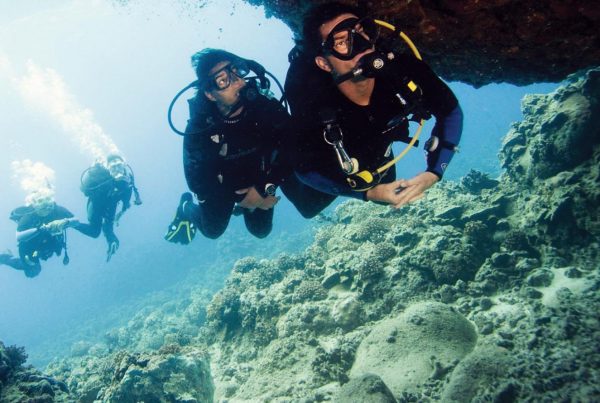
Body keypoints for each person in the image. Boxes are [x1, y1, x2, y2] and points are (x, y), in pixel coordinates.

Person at [284, 2, 463, 209]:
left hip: (378, 146)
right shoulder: (314, 103)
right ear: (324, 63)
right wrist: (368, 194)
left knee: (384, 192)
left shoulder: (403, 72)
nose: (362, 45)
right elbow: (305, 170)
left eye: (361, 32)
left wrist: (434, 172)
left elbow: (450, 112)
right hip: (333, 157)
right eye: (342, 42)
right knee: (308, 207)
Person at [165, 48, 299, 244]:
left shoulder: (263, 106)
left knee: (261, 230)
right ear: (210, 94)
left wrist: (266, 188)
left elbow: (293, 146)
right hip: (221, 186)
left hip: (261, 177)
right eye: (223, 80)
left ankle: (247, 204)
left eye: (238, 72)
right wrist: (237, 197)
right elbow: (197, 181)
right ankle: (187, 208)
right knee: (213, 231)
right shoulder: (200, 128)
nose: (238, 82)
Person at [75, 154, 142, 261]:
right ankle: (73, 224)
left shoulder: (127, 178)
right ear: (108, 168)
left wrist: (120, 214)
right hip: (96, 205)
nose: (117, 169)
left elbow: (126, 200)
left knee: (108, 228)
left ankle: (113, 243)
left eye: (119, 165)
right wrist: (93, 172)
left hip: (111, 205)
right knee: (94, 232)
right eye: (113, 167)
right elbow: (84, 190)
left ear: (124, 165)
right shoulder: (101, 175)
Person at [0, 191, 79, 278]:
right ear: (34, 204)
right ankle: (6, 259)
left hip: (48, 245)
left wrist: (66, 222)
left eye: (47, 199)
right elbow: (19, 236)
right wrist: (43, 229)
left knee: (36, 267)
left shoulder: (57, 210)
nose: (46, 205)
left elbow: (76, 221)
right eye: (41, 201)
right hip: (30, 247)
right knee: (32, 271)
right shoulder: (29, 216)